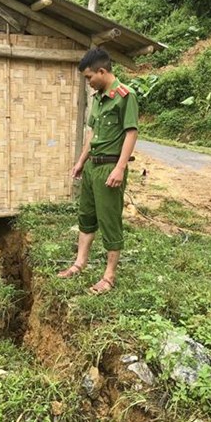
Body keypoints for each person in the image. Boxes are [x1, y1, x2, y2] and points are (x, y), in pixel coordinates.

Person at [57, 48, 138, 294]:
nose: (89, 82)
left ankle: (109, 276)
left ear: (102, 71)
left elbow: (131, 132)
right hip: (93, 167)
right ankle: (79, 263)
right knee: (87, 216)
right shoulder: (99, 98)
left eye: (89, 77)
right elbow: (92, 134)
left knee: (109, 220)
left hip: (109, 169)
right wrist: (81, 161)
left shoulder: (125, 96)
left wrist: (120, 168)